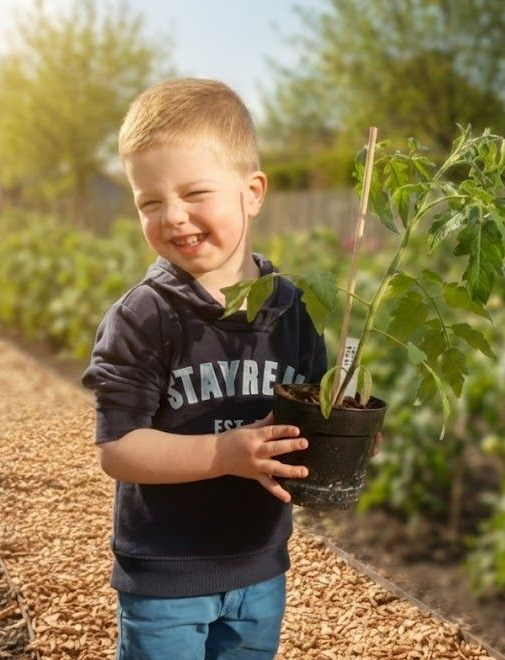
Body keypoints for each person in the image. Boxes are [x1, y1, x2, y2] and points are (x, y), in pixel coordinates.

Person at [82, 78, 327, 660]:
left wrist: (341, 434)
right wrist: (225, 455)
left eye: (195, 192)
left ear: (252, 191)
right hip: (167, 570)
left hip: (260, 563)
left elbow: (315, 405)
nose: (173, 217)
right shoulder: (143, 318)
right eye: (149, 202)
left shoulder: (291, 307)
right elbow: (118, 449)